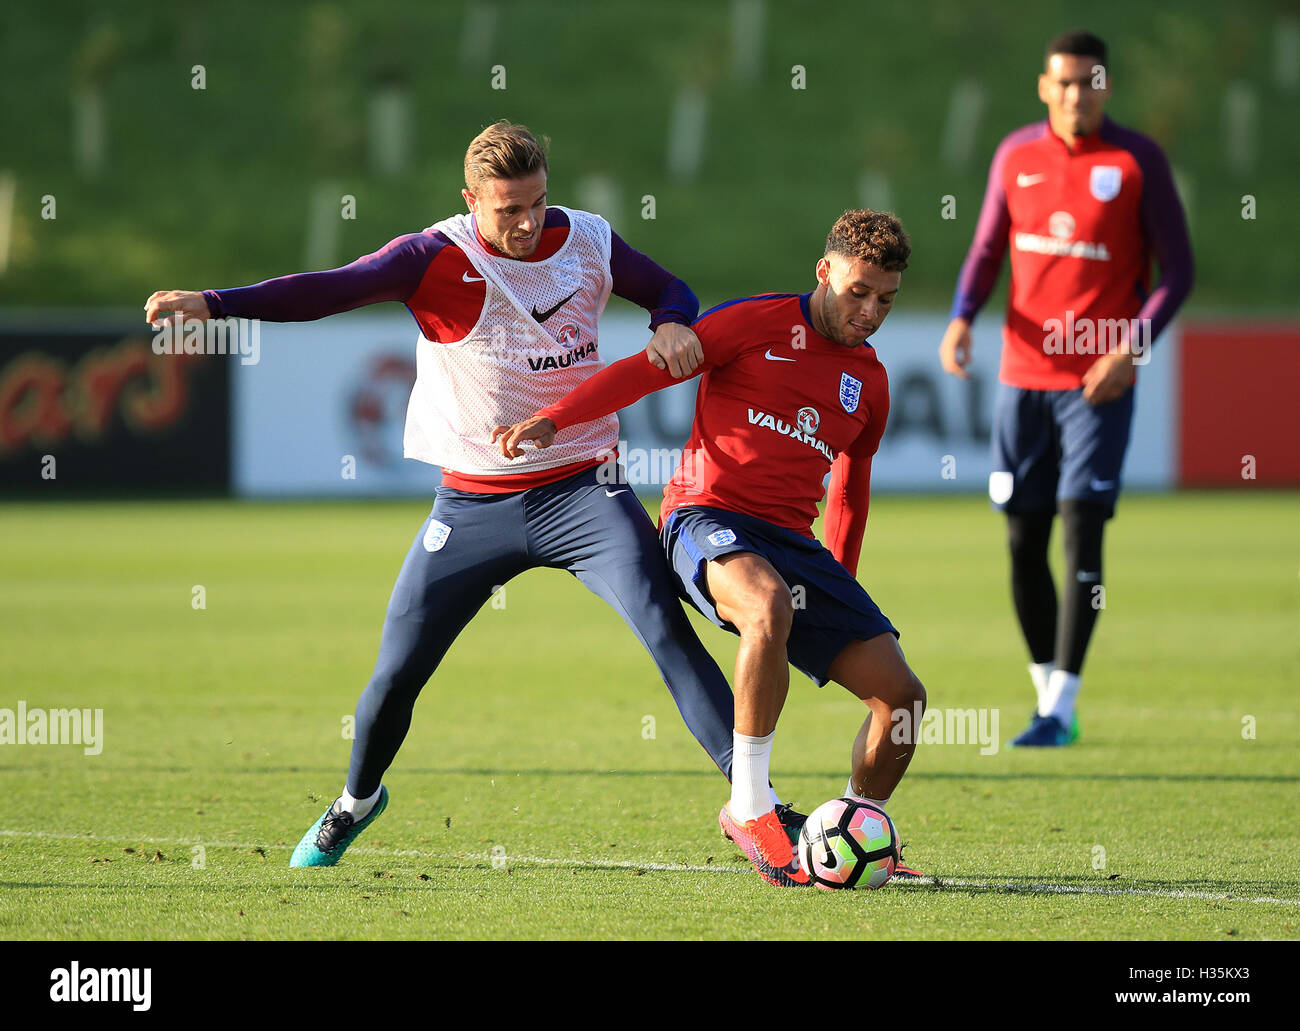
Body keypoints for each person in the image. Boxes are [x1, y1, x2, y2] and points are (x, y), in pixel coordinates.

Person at [143, 120, 785, 868]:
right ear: (470, 200)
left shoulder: (589, 239)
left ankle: (757, 809)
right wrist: (217, 304)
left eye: (537, 202)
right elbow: (329, 290)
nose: (526, 222)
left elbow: (670, 287)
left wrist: (674, 321)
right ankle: (356, 800)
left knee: (667, 632)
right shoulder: (432, 256)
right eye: (507, 208)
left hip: (587, 488)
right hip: (474, 505)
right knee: (396, 673)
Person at [495, 209, 927, 888]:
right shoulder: (751, 323)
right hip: (706, 519)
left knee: (902, 698)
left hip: (794, 542)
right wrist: (554, 418)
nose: (870, 311)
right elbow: (646, 372)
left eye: (886, 300)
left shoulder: (869, 383)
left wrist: (840, 585)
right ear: (825, 270)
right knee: (766, 607)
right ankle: (750, 803)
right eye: (858, 292)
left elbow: (850, 490)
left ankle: (861, 827)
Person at [938, 30, 1193, 747]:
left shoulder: (1136, 160)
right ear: (1045, 88)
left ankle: (1060, 706)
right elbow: (987, 247)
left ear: (1106, 87)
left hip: (1096, 383)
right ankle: (1048, 690)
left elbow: (1178, 272)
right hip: (1022, 380)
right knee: (1023, 538)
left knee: (1083, 526)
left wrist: (1130, 347)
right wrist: (962, 319)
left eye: (1090, 81)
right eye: (1065, 83)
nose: (1077, 94)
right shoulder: (1016, 155)